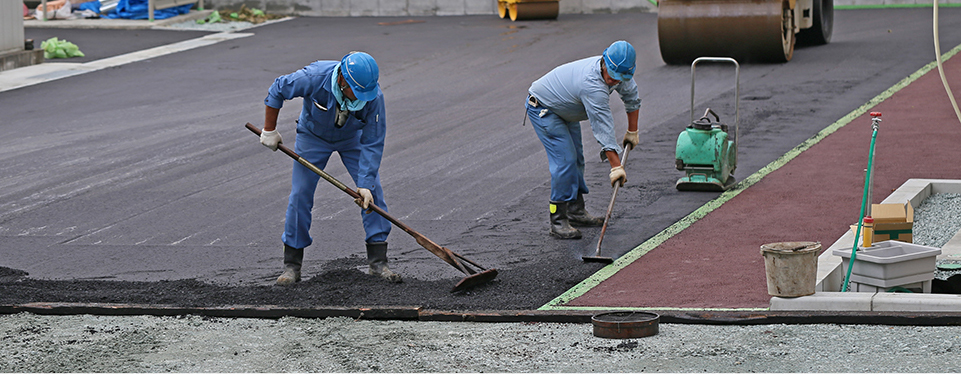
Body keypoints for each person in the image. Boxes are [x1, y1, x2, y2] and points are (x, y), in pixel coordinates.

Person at [259, 51, 401, 285]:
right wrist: (269, 130)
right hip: (313, 137)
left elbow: (373, 141)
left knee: (373, 197)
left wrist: (365, 183)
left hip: (352, 138)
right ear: (343, 80)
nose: (362, 97)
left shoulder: (373, 96)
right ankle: (292, 266)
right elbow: (277, 89)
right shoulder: (314, 77)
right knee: (300, 196)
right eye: (357, 92)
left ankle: (378, 263)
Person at [526, 40, 641, 239]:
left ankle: (576, 211)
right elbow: (602, 128)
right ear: (604, 63)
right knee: (565, 161)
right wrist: (615, 166)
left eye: (620, 79)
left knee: (577, 160)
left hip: (566, 110)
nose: (615, 82)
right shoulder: (592, 84)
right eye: (612, 77)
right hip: (545, 109)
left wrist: (633, 131)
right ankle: (558, 219)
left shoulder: (622, 73)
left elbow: (632, 100)